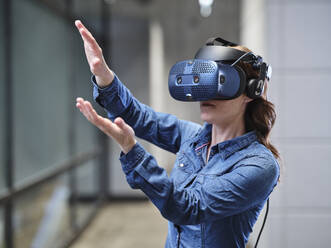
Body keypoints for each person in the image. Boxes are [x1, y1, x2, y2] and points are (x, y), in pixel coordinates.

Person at [74, 20, 280, 248]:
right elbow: (138, 116)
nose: (205, 93)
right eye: (201, 82)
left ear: (251, 91)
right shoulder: (192, 137)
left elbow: (188, 207)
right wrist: (103, 75)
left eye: (218, 82)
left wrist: (131, 149)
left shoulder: (259, 165)